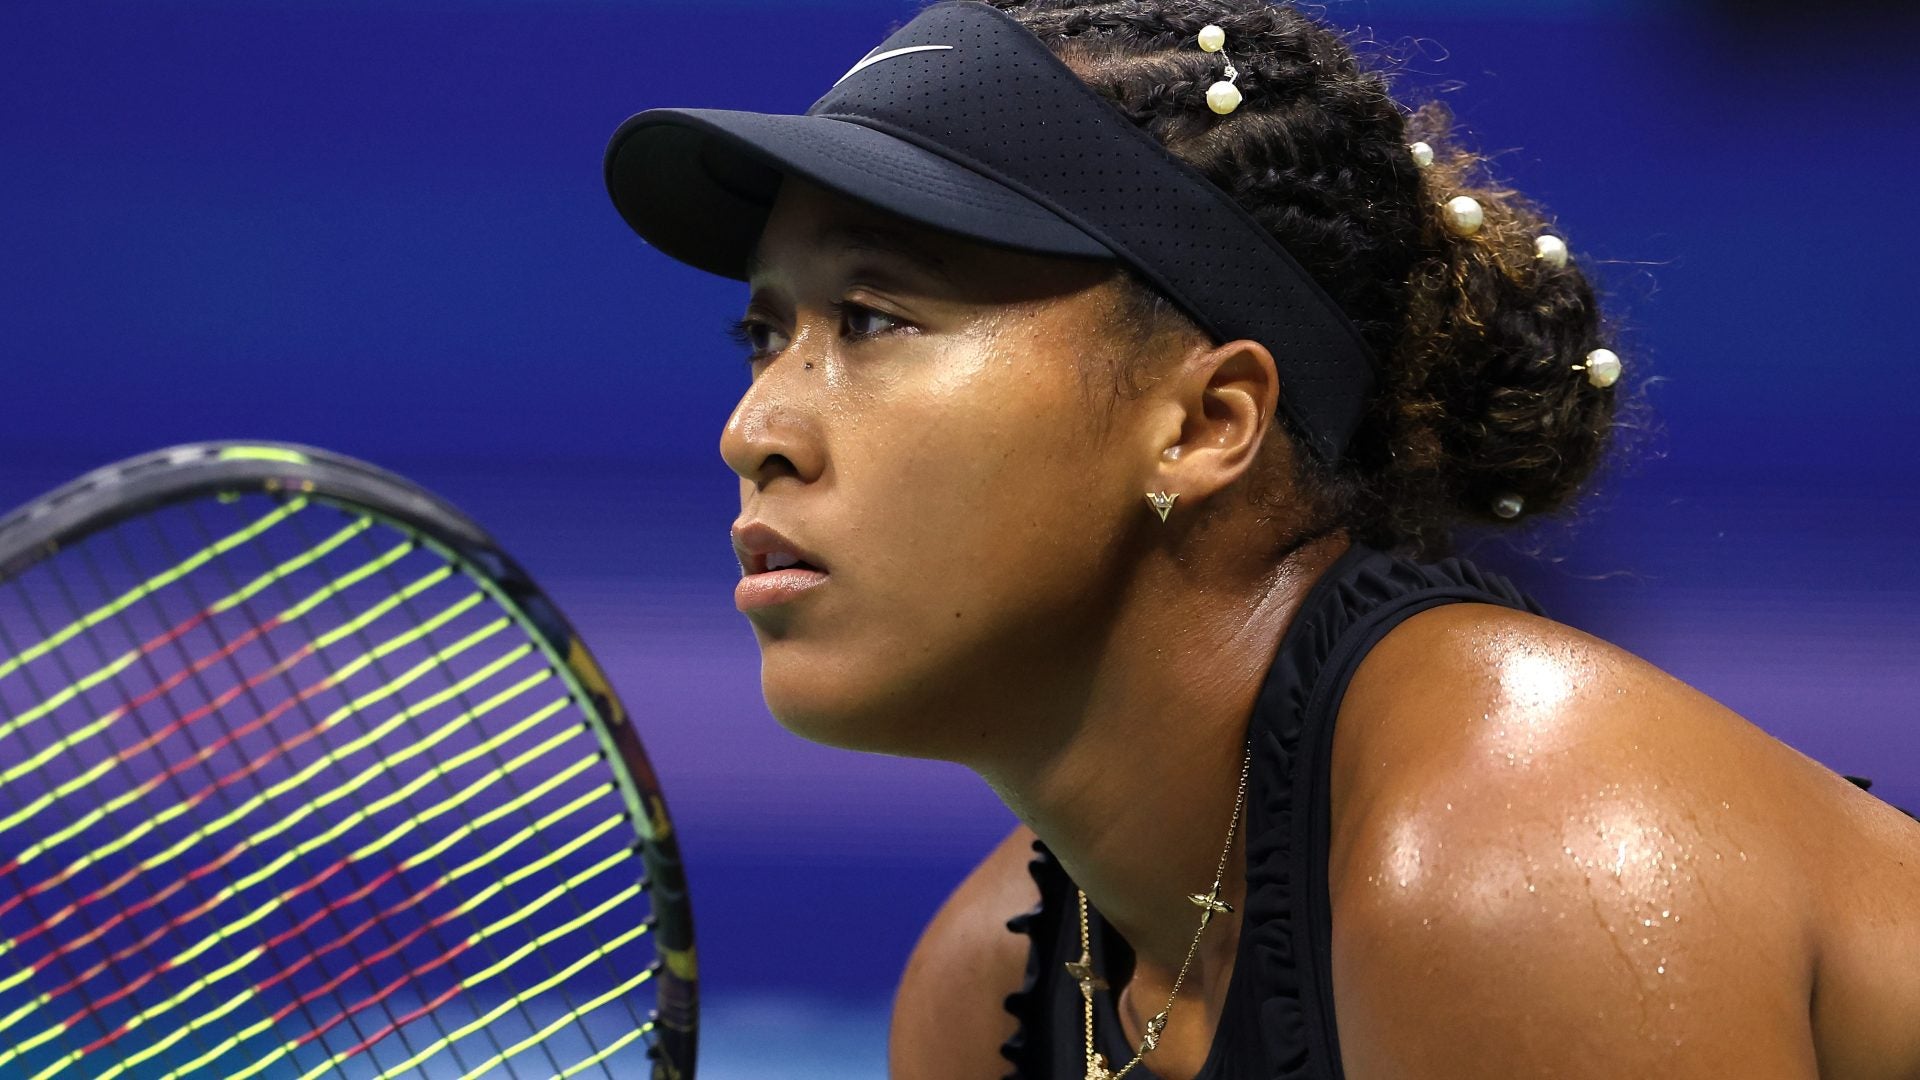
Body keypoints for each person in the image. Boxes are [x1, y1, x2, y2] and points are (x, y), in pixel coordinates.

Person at [601, 1, 1920, 1077]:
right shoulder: (983, 996)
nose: (756, 424)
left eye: (875, 319)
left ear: (1206, 422)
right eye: (765, 334)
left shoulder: (1522, 873)